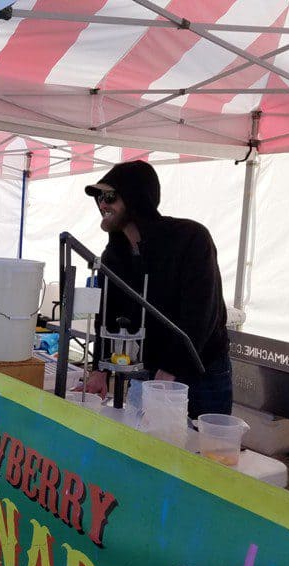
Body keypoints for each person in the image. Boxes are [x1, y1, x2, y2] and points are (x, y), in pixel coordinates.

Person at [81, 160, 232, 419]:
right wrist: (100, 369)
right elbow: (107, 316)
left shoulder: (191, 238)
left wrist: (171, 368)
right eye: (98, 197)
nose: (102, 204)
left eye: (109, 196)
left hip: (202, 370)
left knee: (200, 451)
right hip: (150, 369)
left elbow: (202, 313)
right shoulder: (113, 257)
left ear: (135, 197)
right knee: (146, 446)